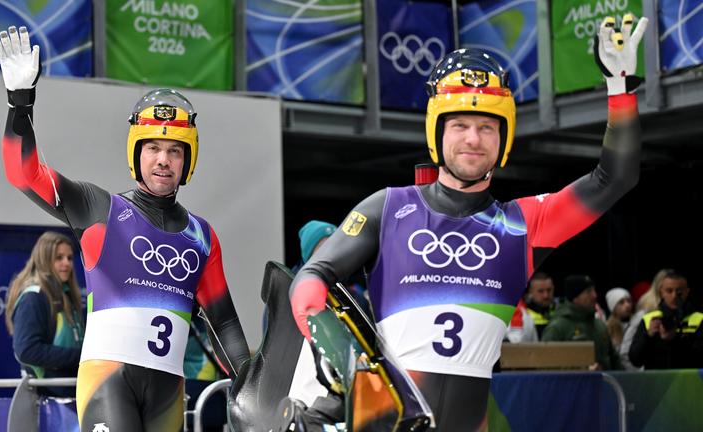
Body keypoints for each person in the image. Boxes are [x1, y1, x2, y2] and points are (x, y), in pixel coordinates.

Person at [289, 15, 646, 430]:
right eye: (459, 125)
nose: (473, 139)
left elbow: (615, 178)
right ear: (437, 132)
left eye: (486, 127)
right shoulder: (387, 208)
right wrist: (329, 346)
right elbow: (312, 275)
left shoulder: (525, 224)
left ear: (504, 138)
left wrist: (620, 89)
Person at [0, 26, 250, 431]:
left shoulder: (202, 237)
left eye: (173, 151)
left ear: (187, 160)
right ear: (137, 153)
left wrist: (253, 382)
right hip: (107, 383)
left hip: (169, 390)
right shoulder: (99, 207)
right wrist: (20, 101)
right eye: (152, 148)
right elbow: (23, 174)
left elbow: (225, 325)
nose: (162, 160)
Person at [4, 231, 84, 397]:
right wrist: (82, 356)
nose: (66, 263)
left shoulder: (67, 293)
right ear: (44, 259)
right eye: (59, 258)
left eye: (69, 258)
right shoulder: (33, 297)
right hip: (49, 399)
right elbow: (27, 350)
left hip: (72, 393)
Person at [541, 275, 622, 370]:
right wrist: (581, 370)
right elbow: (546, 367)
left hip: (603, 383)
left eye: (594, 290)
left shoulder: (600, 325)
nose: (594, 295)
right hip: (572, 384)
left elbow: (615, 361)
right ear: (575, 297)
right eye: (588, 292)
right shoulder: (558, 327)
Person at [629, 270, 703, 369]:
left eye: (679, 292)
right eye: (669, 291)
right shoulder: (649, 319)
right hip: (657, 382)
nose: (674, 296)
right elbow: (635, 360)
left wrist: (677, 338)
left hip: (688, 382)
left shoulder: (699, 319)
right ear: (661, 292)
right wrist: (649, 336)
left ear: (687, 292)